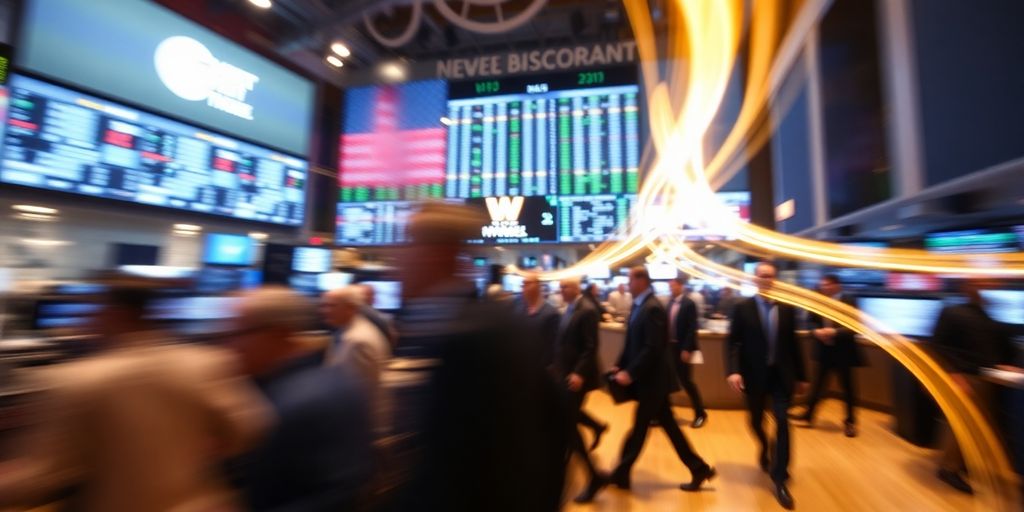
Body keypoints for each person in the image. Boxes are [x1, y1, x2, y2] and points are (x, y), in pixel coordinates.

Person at [0, 283, 270, 512]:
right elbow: (251, 430)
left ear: (114, 314)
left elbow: (42, 477)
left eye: (93, 310)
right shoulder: (206, 363)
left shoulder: (75, 380)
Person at [385, 202, 567, 511]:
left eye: (409, 242)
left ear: (438, 252)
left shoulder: (485, 335)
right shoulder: (437, 325)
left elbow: (541, 435)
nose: (397, 257)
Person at [229, 286, 373, 511]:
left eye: (238, 334)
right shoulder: (330, 380)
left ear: (277, 333)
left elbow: (337, 495)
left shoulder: (297, 402)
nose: (231, 346)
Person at [608, 266, 715, 493]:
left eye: (630, 280)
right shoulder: (640, 306)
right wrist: (620, 363)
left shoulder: (653, 307)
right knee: (669, 427)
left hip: (653, 382)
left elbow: (652, 347)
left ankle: (621, 473)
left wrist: (630, 372)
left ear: (642, 281)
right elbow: (632, 343)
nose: (627, 284)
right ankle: (699, 469)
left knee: (639, 429)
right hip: (649, 381)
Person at [929, 279, 1023, 495]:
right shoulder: (953, 312)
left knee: (973, 425)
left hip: (981, 376)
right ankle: (948, 469)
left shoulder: (983, 314)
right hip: (965, 378)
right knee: (963, 425)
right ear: (968, 287)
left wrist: (999, 365)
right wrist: (954, 373)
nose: (989, 288)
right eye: (981, 284)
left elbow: (983, 348)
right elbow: (937, 345)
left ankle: (959, 464)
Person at [726, 261, 808, 510]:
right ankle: (764, 445)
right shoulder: (743, 308)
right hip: (753, 376)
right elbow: (732, 342)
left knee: (783, 422)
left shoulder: (786, 308)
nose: (766, 279)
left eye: (770, 276)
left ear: (775, 279)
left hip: (781, 376)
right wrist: (733, 371)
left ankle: (779, 477)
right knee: (755, 421)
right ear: (755, 279)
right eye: (762, 276)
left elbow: (794, 344)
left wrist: (802, 377)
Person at [554, 277, 609, 503]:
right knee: (568, 420)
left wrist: (578, 372)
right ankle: (597, 427)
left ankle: (594, 476)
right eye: (560, 288)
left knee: (567, 423)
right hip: (566, 374)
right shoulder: (570, 308)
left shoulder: (586, 310)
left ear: (575, 288)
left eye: (564, 287)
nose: (561, 291)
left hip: (578, 378)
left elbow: (591, 346)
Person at [796, 274, 865, 437]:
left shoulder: (849, 300)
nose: (824, 288)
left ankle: (850, 422)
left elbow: (855, 326)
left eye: (827, 285)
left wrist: (834, 332)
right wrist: (816, 331)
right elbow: (809, 322)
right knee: (818, 386)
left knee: (848, 390)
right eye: (822, 285)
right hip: (824, 351)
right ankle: (808, 415)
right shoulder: (819, 301)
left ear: (837, 285)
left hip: (843, 353)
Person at [321, 285, 391, 393]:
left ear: (350, 308)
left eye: (332, 306)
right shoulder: (343, 331)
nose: (325, 311)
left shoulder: (358, 342)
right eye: (324, 305)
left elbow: (356, 390)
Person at [669, 276, 708, 428]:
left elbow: (692, 329)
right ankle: (664, 414)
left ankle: (700, 413)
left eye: (673, 286)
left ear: (681, 286)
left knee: (686, 382)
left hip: (682, 349)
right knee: (667, 381)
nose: (671, 289)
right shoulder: (670, 303)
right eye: (670, 286)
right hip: (670, 348)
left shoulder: (688, 303)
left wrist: (686, 348)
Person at [522, 272, 562, 369]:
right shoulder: (521, 311)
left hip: (543, 368)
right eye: (523, 284)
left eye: (527, 284)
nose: (523, 288)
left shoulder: (551, 313)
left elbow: (553, 346)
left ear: (537, 286)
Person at [358, 283, 397, 349]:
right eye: (373, 294)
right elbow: (393, 337)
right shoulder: (381, 317)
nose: (374, 297)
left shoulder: (356, 313)